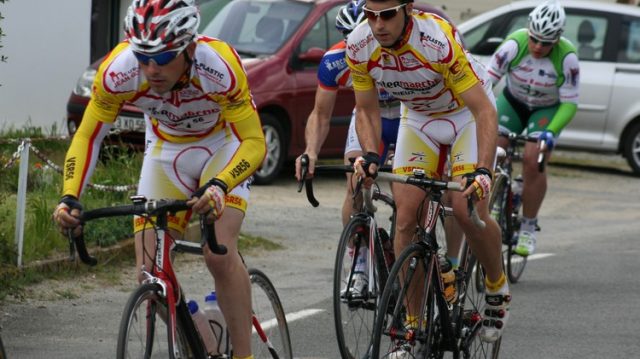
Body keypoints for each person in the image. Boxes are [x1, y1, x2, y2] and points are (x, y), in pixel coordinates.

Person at [52, 1, 266, 358]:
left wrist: (221, 185)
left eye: (164, 57)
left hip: (224, 145)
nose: (152, 69)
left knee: (217, 252)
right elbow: (88, 136)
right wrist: (69, 196)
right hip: (166, 150)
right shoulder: (119, 71)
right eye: (143, 56)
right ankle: (197, 331)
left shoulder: (218, 64)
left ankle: (243, 354)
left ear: (188, 47)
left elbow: (255, 142)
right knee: (149, 273)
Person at [346, 0, 510, 345]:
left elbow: (483, 111)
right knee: (406, 220)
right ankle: (412, 323)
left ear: (406, 10)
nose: (378, 25)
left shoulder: (436, 38)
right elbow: (366, 110)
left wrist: (482, 171)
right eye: (370, 15)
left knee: (468, 211)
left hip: (465, 114)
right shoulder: (359, 44)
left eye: (387, 14)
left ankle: (496, 285)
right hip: (419, 120)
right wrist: (372, 154)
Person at [294, 0, 401, 295]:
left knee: (408, 192)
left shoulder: (396, 53)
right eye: (350, 38)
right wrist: (311, 151)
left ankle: (410, 254)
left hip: (407, 114)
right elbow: (320, 114)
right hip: (368, 116)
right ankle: (359, 264)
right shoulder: (335, 60)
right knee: (355, 181)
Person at [487, 0, 579, 256]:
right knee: (494, 149)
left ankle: (527, 225)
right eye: (535, 39)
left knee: (533, 159)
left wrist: (551, 130)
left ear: (557, 39)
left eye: (546, 42)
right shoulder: (514, 45)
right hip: (513, 102)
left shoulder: (567, 57)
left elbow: (570, 103)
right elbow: (487, 80)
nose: (538, 47)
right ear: (528, 31)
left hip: (546, 110)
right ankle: (495, 198)